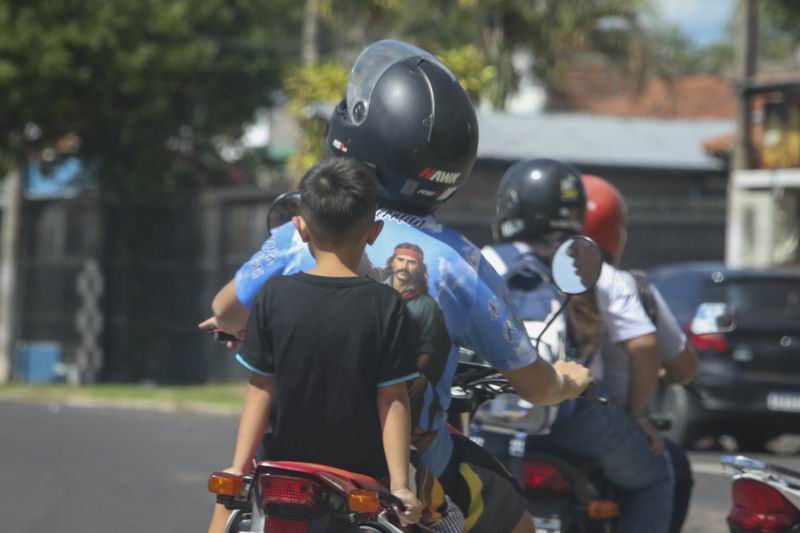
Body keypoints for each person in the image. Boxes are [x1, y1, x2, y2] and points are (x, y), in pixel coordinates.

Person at [202, 39, 592, 533]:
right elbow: (531, 383)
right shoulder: (457, 262)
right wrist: (567, 381)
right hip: (400, 471)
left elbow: (230, 312)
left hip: (284, 463)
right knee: (515, 521)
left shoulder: (299, 234)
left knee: (233, 499)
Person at [210, 157, 467, 532]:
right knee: (452, 522)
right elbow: (392, 398)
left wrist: (238, 465)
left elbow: (261, 387)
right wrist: (399, 486)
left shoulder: (273, 297)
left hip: (279, 471)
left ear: (299, 228)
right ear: (374, 232)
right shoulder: (386, 304)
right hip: (361, 478)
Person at [481, 158, 675, 533]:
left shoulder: (482, 261)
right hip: (573, 417)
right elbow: (645, 345)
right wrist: (639, 415)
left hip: (491, 420)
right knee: (655, 475)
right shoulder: (587, 265)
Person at [581, 173, 699, 533]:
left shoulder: (527, 273)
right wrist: (641, 410)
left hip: (527, 421)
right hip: (605, 426)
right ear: (617, 232)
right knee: (669, 470)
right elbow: (684, 367)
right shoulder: (630, 287)